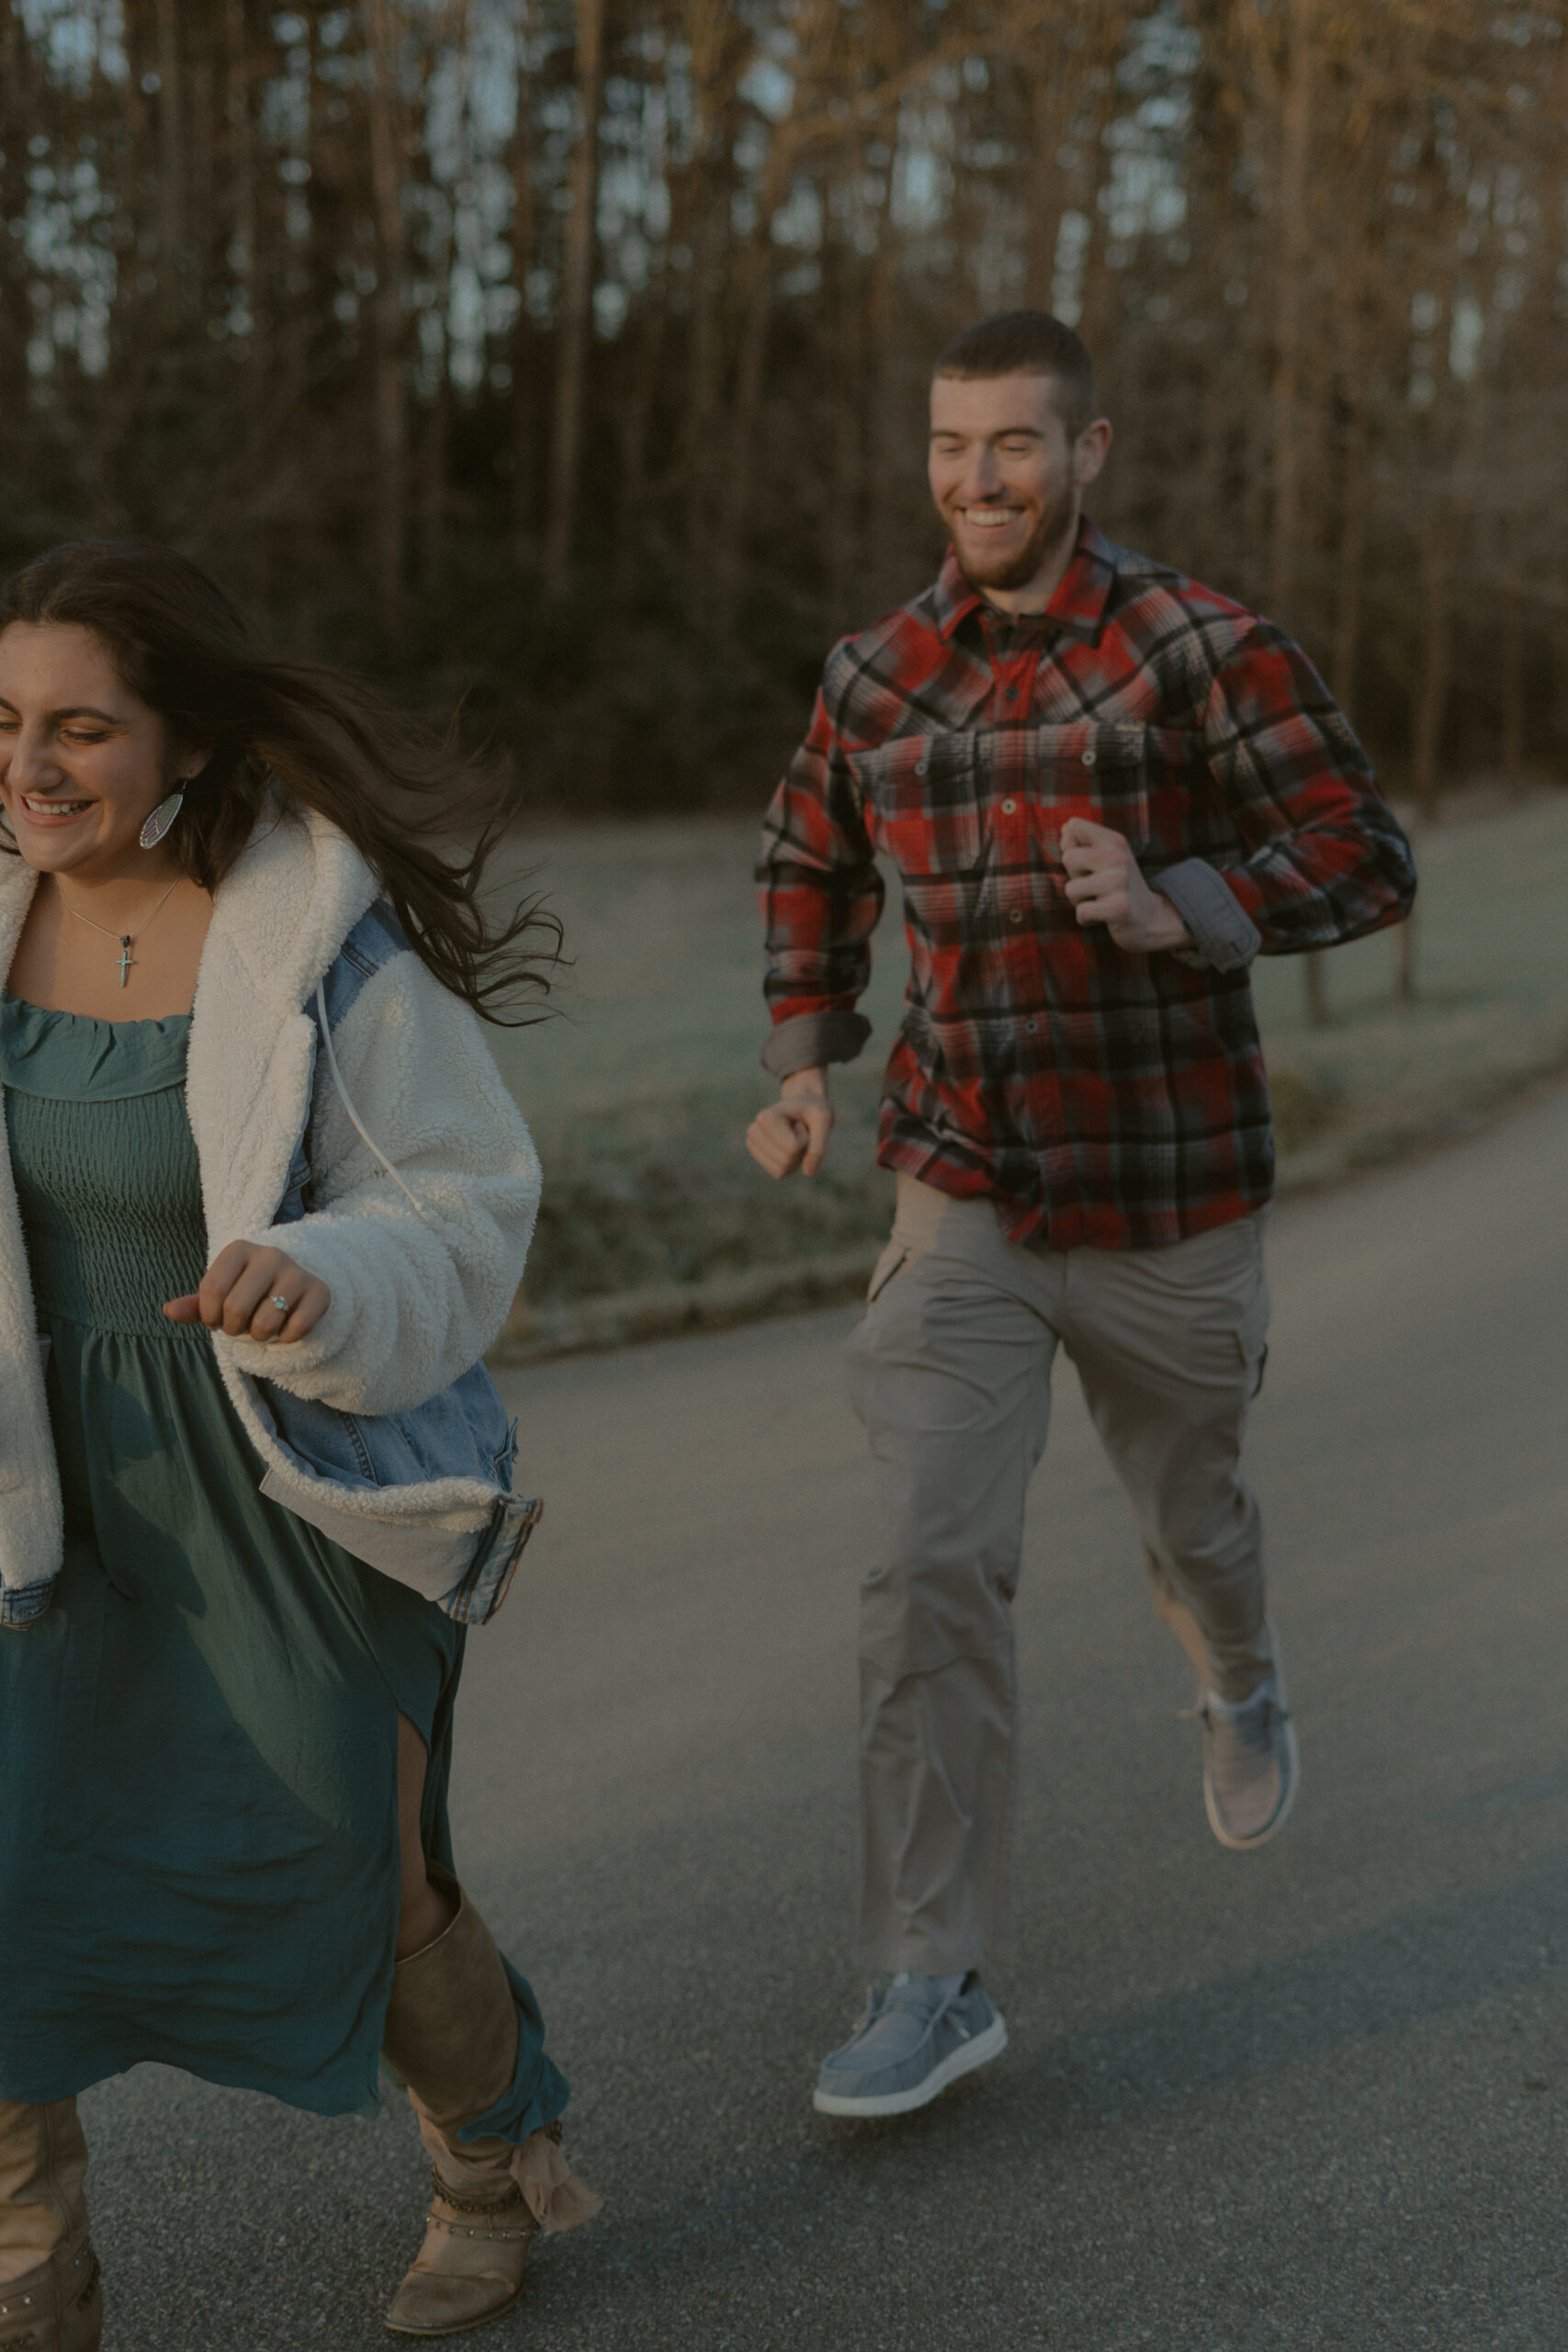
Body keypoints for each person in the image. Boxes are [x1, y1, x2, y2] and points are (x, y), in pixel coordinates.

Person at [747, 311, 1416, 2121]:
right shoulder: (877, 672)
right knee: (921, 1560)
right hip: (958, 1182)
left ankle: (1240, 1671)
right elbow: (808, 856)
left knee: (1190, 1514)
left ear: (1086, 452)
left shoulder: (1195, 646)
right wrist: (808, 1051)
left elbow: (1363, 849)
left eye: (1015, 446)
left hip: (1168, 1191)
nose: (978, 479)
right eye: (953, 445)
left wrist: (1178, 892)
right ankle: (926, 1969)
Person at [0, 540, 601, 2348]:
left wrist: (314, 1268)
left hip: (283, 1474)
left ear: (180, 734)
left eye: (79, 726)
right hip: (45, 1485)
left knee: (368, 1853)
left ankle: (493, 2163)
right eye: (3, 720)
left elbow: (467, 1193)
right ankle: (32, 2267)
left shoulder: (311, 935)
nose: (29, 762)